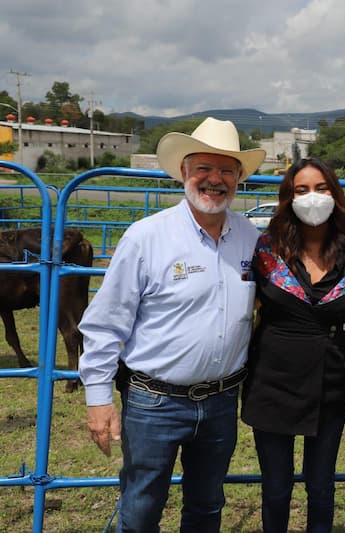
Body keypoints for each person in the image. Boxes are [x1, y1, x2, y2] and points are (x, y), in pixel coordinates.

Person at [78, 117, 266, 531]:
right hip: (154, 402)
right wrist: (98, 398)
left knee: (206, 505)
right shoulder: (146, 238)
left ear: (238, 179)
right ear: (183, 172)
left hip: (220, 401)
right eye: (203, 168)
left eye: (226, 170)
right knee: (142, 507)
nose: (214, 180)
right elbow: (106, 325)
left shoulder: (250, 238)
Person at [241, 157, 345, 532]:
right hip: (271, 382)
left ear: (335, 195)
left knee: (321, 486)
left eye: (321, 189)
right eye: (301, 190)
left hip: (331, 385)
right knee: (275, 487)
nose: (312, 198)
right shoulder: (266, 252)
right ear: (288, 199)